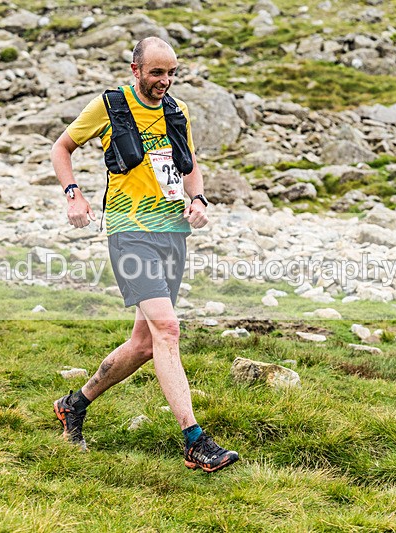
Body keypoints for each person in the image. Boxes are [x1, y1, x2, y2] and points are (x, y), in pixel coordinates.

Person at [49, 36, 238, 473]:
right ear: (136, 70)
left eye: (171, 73)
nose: (164, 81)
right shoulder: (110, 106)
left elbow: (188, 164)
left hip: (171, 233)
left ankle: (74, 404)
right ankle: (195, 441)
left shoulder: (177, 110)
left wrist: (200, 200)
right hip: (129, 232)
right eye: (156, 73)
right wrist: (72, 194)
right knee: (168, 329)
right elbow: (62, 148)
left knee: (144, 343)